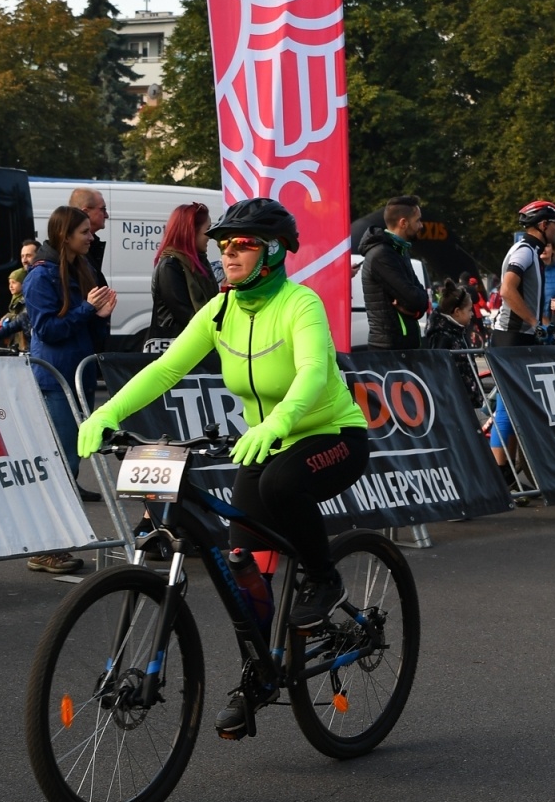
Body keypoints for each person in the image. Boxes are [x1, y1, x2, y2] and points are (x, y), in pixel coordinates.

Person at [77, 198, 369, 737]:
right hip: (265, 441)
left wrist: (277, 425)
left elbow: (309, 375)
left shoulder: (299, 304)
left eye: (243, 244)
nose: (228, 253)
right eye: (223, 244)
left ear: (274, 252)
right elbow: (166, 368)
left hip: (331, 435)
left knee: (283, 485)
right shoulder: (219, 310)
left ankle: (323, 579)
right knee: (241, 565)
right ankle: (257, 675)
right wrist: (108, 411)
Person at [25, 207, 117, 574]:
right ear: (64, 236)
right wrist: (86, 310)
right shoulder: (40, 276)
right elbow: (48, 329)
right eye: (83, 231)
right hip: (55, 380)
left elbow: (88, 328)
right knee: (61, 464)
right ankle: (46, 547)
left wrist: (102, 315)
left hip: (78, 377)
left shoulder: (82, 268)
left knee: (71, 463)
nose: (91, 236)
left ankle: (54, 544)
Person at [488, 199, 555, 475]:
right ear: (543, 225)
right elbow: (507, 290)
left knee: (516, 406)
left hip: (521, 335)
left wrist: (541, 323)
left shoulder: (533, 250)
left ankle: (513, 470)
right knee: (507, 407)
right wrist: (534, 323)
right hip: (511, 336)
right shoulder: (525, 250)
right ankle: (500, 471)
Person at [358, 194, 431, 350]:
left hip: (401, 346)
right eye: (417, 220)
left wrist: (415, 310)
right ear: (403, 223)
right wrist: (415, 305)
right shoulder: (382, 255)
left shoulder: (399, 250)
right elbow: (414, 299)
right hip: (389, 350)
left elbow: (422, 300)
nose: (421, 226)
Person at [146, 202, 219, 352]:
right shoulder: (170, 266)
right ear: (191, 231)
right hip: (175, 350)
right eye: (207, 229)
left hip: (195, 346)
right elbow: (186, 314)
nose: (210, 236)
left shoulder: (200, 263)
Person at [423, 279, 484, 407]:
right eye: (469, 310)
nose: (472, 314)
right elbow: (437, 372)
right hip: (452, 403)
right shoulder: (441, 336)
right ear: (457, 312)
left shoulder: (458, 331)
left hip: (465, 400)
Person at [69, 187, 110, 285]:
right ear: (85, 212)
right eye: (103, 209)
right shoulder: (73, 255)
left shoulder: (90, 247)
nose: (107, 215)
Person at [0, 268, 31, 352]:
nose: (10, 286)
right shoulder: (15, 300)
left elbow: (21, 319)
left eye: (14, 282)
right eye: (9, 283)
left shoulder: (26, 300)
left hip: (25, 344)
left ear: (23, 283)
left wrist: (8, 318)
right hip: (17, 341)